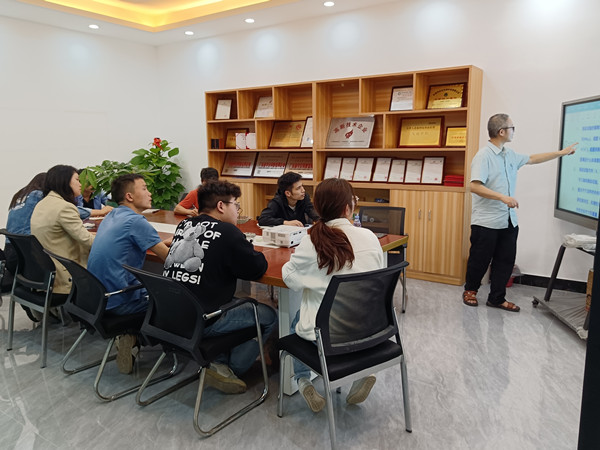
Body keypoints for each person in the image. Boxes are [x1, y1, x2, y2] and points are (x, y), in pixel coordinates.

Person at [163, 180, 277, 394]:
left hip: (171, 315)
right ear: (221, 206)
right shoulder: (228, 232)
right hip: (204, 318)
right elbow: (257, 268)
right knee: (269, 315)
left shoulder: (185, 225)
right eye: (236, 205)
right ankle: (229, 369)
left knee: (238, 302)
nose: (237, 210)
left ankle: (218, 358)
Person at [281, 178, 384, 413]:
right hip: (370, 328)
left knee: (297, 318)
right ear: (348, 208)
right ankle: (361, 373)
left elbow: (290, 278)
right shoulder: (369, 237)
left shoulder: (311, 242)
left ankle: (303, 380)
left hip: (327, 336)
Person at [462, 113, 577, 312]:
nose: (514, 131)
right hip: (486, 221)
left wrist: (561, 153)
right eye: (512, 128)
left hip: (508, 220)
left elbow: (532, 158)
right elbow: (474, 186)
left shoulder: (509, 154)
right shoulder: (483, 156)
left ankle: (497, 298)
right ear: (501, 131)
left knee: (505, 261)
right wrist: (502, 197)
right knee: (479, 260)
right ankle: (470, 291)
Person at [87, 173, 170, 374]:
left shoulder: (112, 215)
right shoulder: (135, 221)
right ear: (129, 196)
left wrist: (159, 243)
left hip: (99, 298)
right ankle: (138, 337)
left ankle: (130, 336)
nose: (149, 193)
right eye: (144, 188)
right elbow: (170, 259)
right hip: (122, 301)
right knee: (178, 300)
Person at [30, 165, 95, 296]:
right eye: (77, 180)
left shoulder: (43, 203)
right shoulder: (64, 207)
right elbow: (87, 241)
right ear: (64, 181)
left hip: (46, 274)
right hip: (65, 277)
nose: (80, 184)